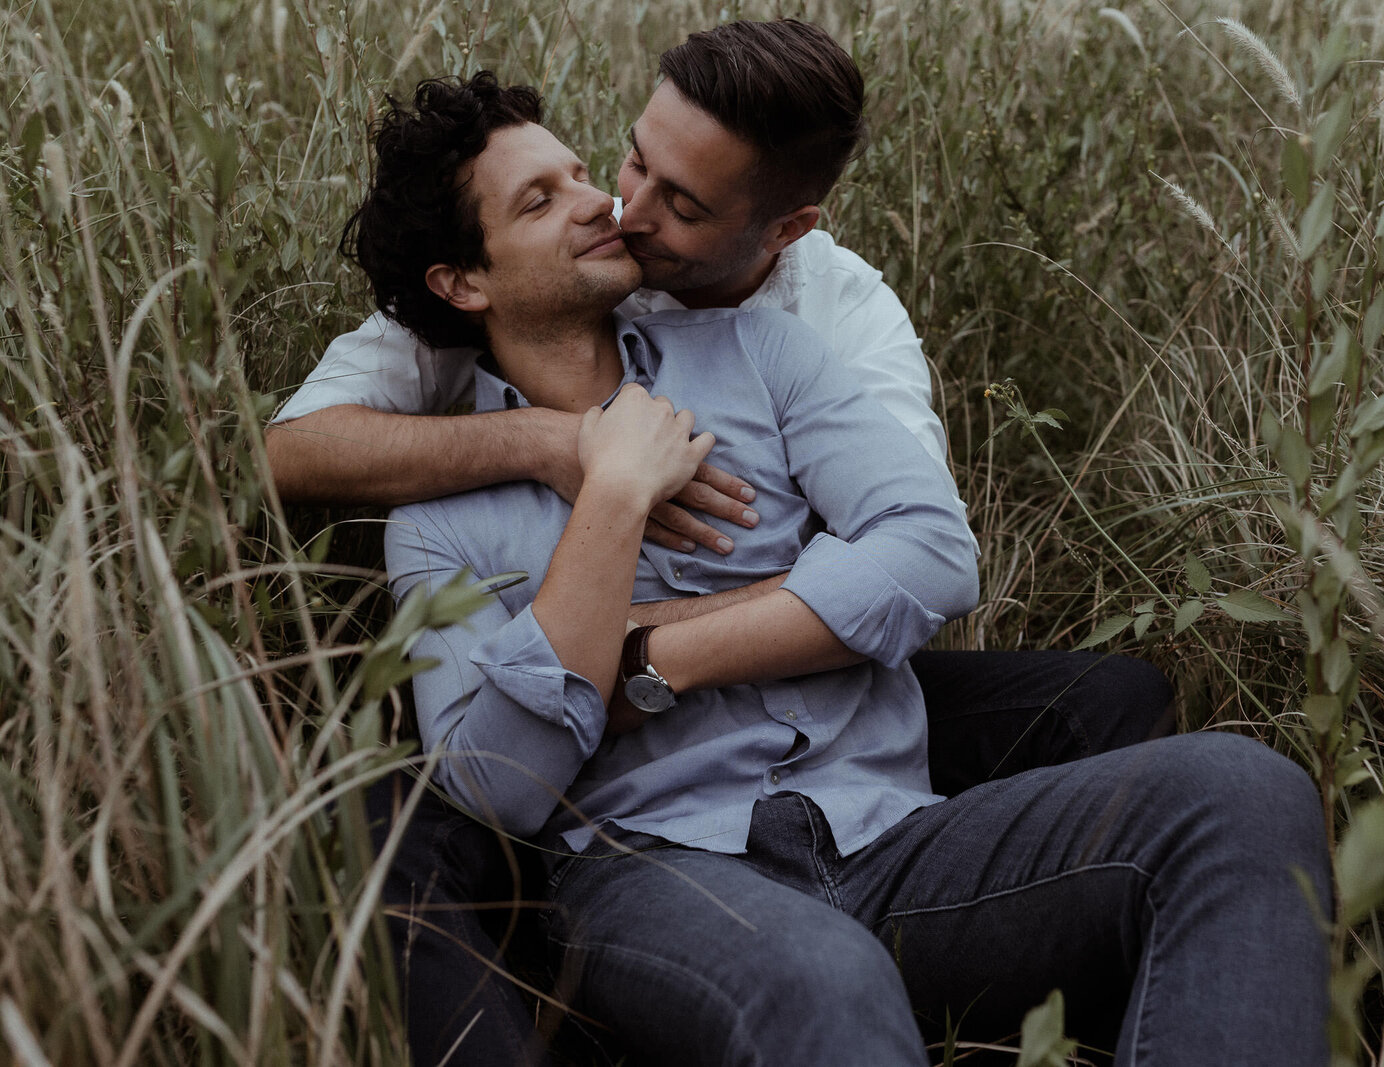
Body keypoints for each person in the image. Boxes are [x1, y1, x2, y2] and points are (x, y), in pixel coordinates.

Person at [355, 69, 1332, 1066]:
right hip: (656, 877)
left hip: (891, 835)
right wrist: (611, 491)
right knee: (823, 977)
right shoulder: (440, 523)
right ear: (463, 282)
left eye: (578, 172)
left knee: (1239, 794)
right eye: (539, 199)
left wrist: (649, 653)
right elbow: (494, 784)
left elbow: (930, 551)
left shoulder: (760, 351)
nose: (598, 203)